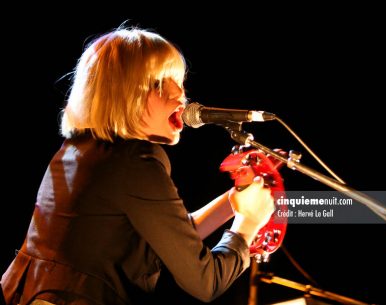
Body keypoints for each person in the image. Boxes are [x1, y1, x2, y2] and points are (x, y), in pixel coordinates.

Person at [1, 26, 275, 305]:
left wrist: (233, 201)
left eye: (180, 81)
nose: (179, 95)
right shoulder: (136, 161)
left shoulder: (82, 149)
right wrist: (248, 223)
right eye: (159, 84)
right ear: (121, 94)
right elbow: (206, 281)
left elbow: (170, 237)